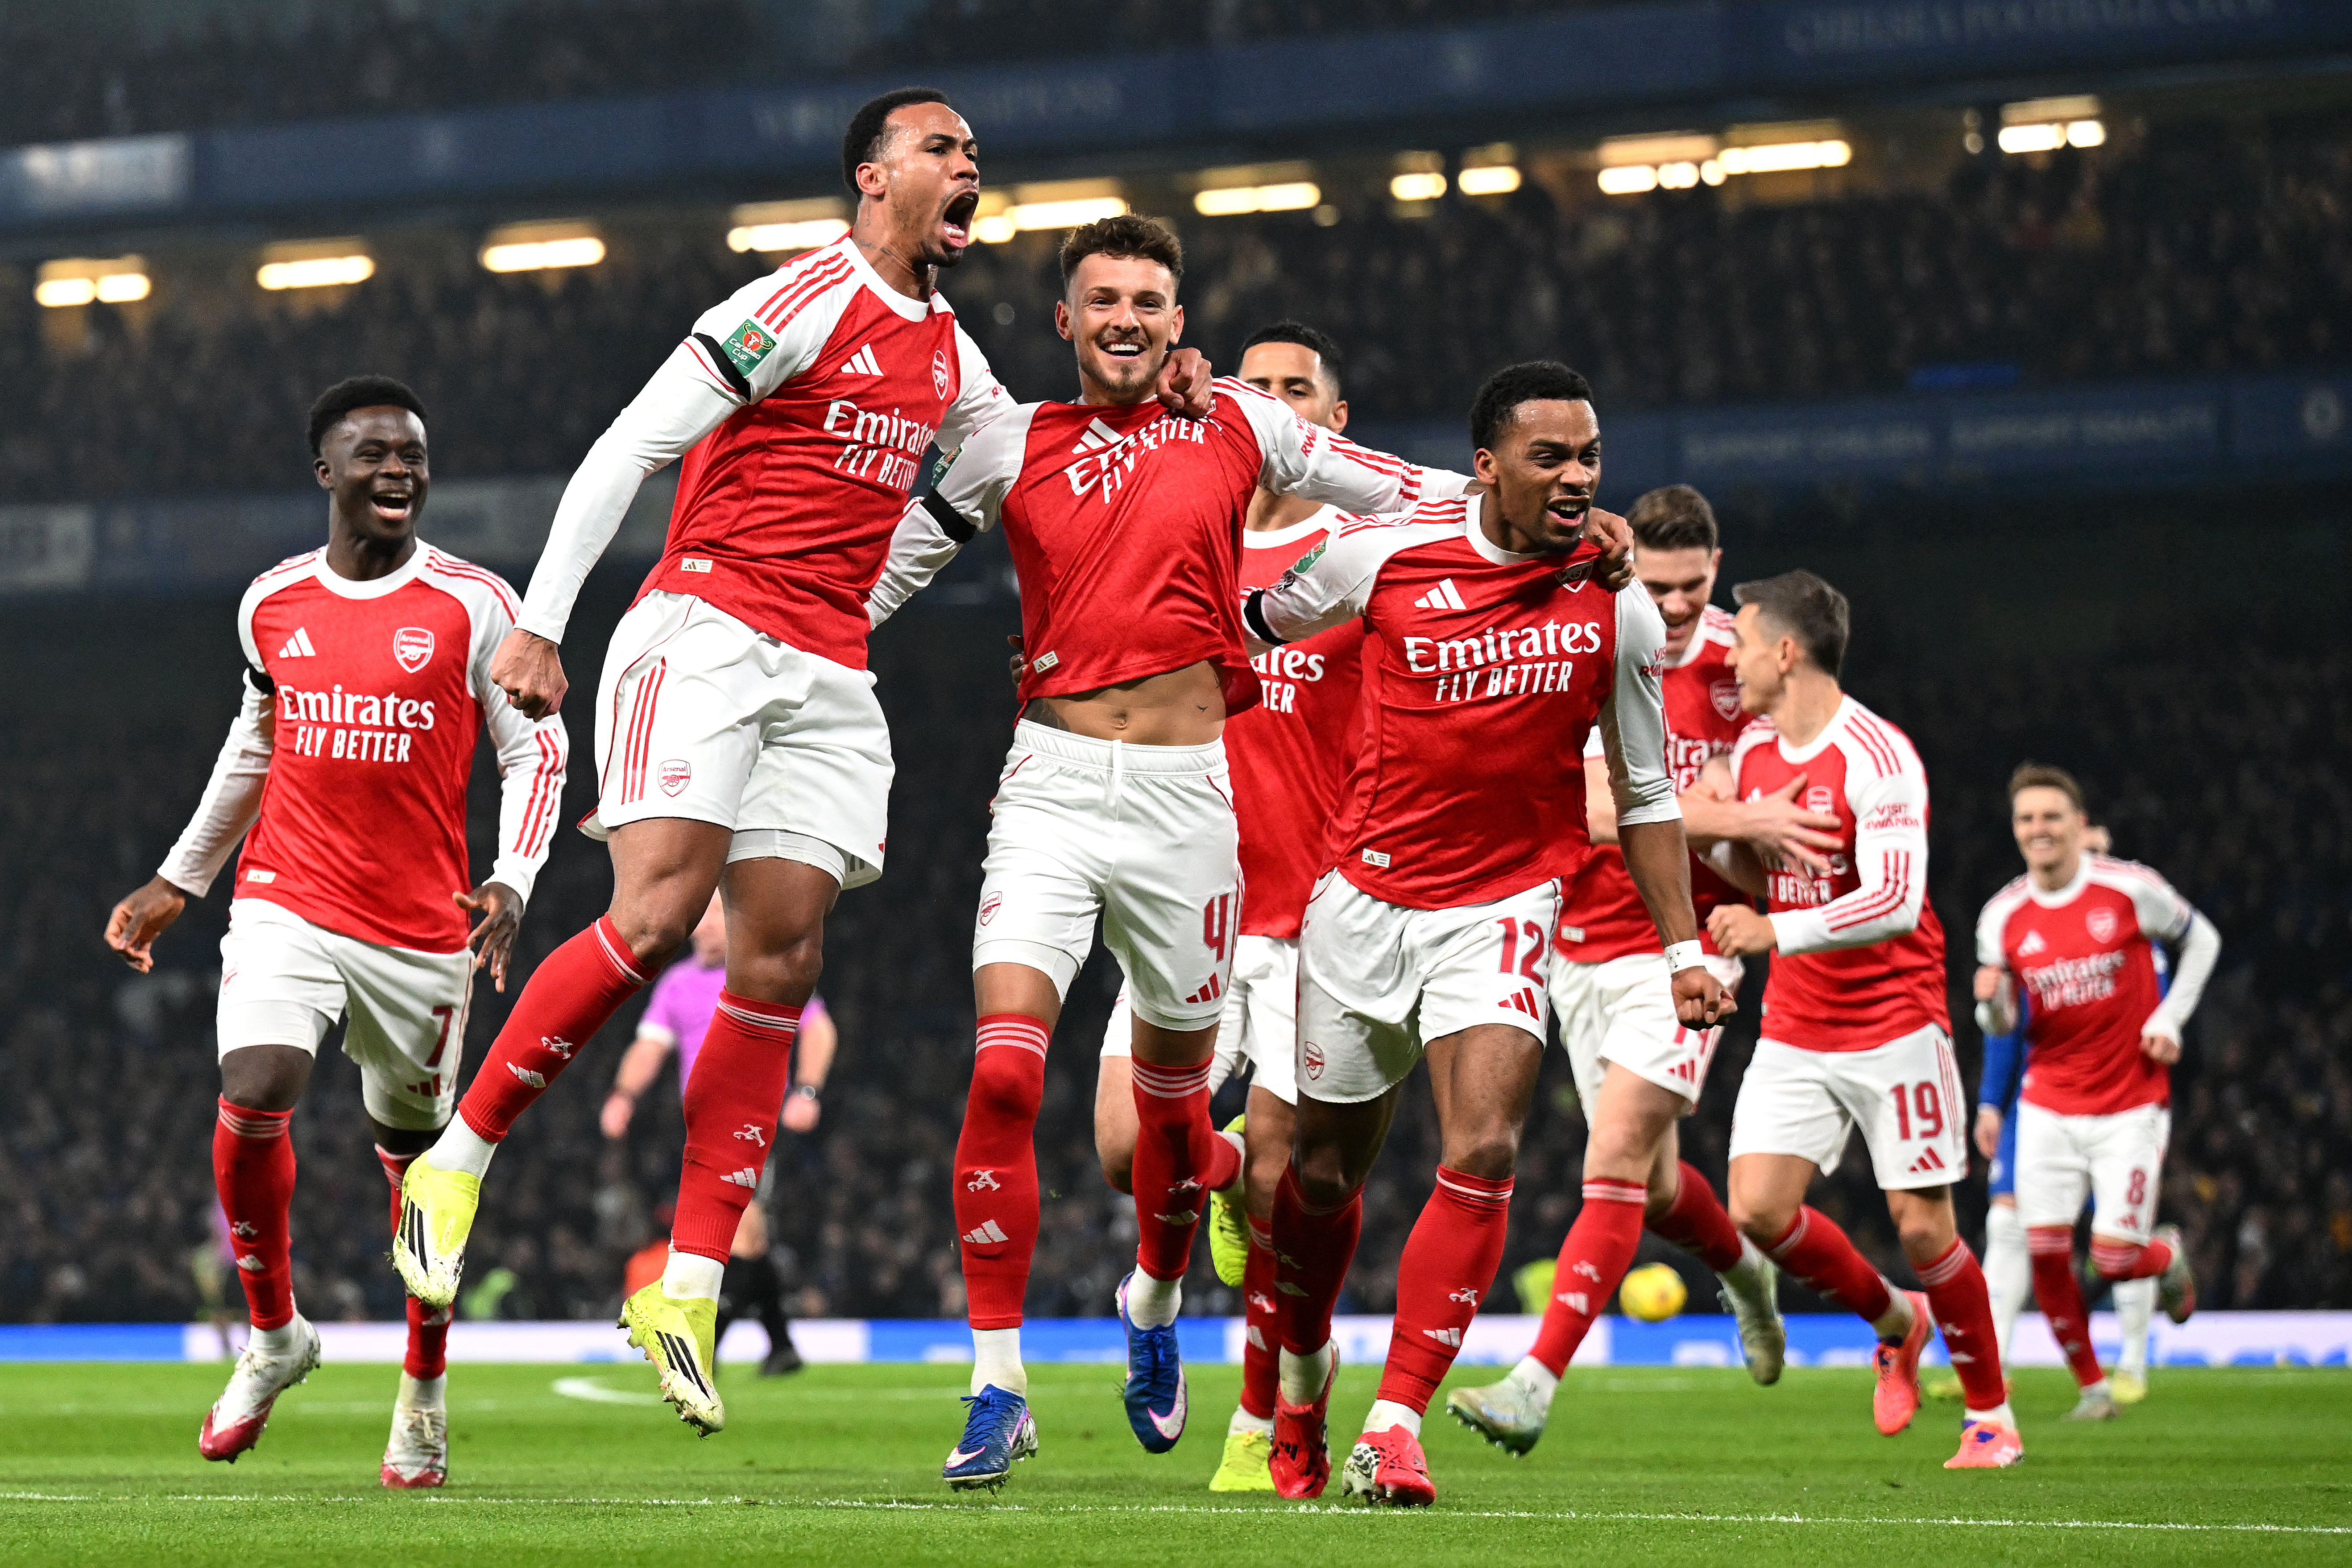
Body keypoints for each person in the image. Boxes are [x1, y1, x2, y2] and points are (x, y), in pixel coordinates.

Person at [390, 86, 1211, 1438]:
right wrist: (541, 620)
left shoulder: (954, 359)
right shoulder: (795, 299)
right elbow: (629, 443)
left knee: (777, 961)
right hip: (705, 622)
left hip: (824, 666)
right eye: (944, 150)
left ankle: (690, 1287)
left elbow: (1034, 457)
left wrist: (1180, 380)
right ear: (872, 177)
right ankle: (456, 1162)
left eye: (973, 155)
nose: (970, 170)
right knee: (659, 915)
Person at [866, 217, 1556, 1492]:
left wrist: (1555, 521)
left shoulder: (1244, 425)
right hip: (1053, 788)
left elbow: (1412, 493)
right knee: (1008, 1074)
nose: (1127, 317)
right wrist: (772, 636)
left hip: (1195, 805)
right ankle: (997, 1381)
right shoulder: (1006, 439)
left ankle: (1152, 1300)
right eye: (1102, 299)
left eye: (1149, 299)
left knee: (1177, 1123)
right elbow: (883, 575)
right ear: (1065, 321)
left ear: (1178, 323)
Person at [1238, 360, 1719, 1506]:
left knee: (1487, 1149)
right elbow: (1255, 625)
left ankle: (1394, 1424)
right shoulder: (1384, 551)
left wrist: (1685, 949)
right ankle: (1301, 1388)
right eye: (1549, 457)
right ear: (1488, 466)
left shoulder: (1620, 601)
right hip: (1360, 902)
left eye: (1589, 457)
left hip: (1506, 904)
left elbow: (1646, 793)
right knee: (1316, 1179)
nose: (1576, 477)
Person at [104, 376, 568, 1488]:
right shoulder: (272, 603)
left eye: (412, 454)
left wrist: (510, 878)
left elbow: (534, 752)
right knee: (256, 1082)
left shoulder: (475, 605)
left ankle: (424, 1390)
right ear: (327, 472)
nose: (399, 471)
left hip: (421, 934)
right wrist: (182, 878)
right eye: (373, 455)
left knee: (419, 1178)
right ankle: (274, 1337)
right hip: (288, 898)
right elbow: (253, 749)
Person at [1449, 484, 1846, 1452]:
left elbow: (1799, 806)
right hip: (1573, 943)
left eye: (1692, 586)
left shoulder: (1744, 667)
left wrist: (1753, 825)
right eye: (1659, 584)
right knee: (1658, 1189)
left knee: (1614, 1154)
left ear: (1715, 571)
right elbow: (1590, 808)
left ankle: (1534, 1383)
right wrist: (1734, 815)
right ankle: (1747, 1272)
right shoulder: (1587, 631)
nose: (1673, 607)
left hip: (1687, 948)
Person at [1087, 320, 1367, 1493]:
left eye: (1298, 388)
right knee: (1121, 1151)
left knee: (1281, 1188)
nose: (1273, 402)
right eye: (1256, 386)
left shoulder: (1368, 554)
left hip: (1317, 920)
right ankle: (1157, 1279)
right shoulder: (1175, 538)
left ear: (1332, 426)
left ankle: (1257, 1427)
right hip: (1185, 904)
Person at [1702, 570, 2020, 1469]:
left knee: (1922, 1225)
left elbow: (1892, 897)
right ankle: (1895, 1318)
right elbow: (1751, 868)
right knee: (1758, 1209)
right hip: (1798, 1022)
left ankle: (1990, 1416)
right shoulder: (1757, 752)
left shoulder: (1878, 756)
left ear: (1785, 651)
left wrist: (1770, 927)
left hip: (1894, 1019)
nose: (1730, 657)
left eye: (1742, 640)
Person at [1972, 765, 2215, 1418]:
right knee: (2046, 1251)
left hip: (2130, 1102)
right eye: (2027, 818)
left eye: (2052, 816)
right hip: (2048, 1102)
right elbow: (2003, 1021)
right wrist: (1992, 1010)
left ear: (2080, 825)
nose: (2039, 828)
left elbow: (2204, 938)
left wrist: (2167, 1018)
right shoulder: (2002, 915)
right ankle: (2093, 1387)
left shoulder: (2130, 889)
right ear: (2016, 830)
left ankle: (2164, 1259)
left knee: (2111, 1255)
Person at [601, 892, 838, 1375]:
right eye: (696, 920)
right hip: (702, 1129)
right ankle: (780, 1343)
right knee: (749, 1238)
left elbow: (818, 1029)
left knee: (740, 1229)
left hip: (755, 1121)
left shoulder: (760, 970)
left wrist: (808, 1092)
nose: (699, 930)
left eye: (710, 918)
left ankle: (704, 1343)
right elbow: (649, 1047)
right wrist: (623, 1093)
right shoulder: (677, 983)